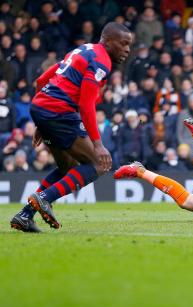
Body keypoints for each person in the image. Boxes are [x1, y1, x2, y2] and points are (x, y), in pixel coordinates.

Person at [10, 22, 133, 232]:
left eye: (129, 45)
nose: (127, 49)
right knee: (98, 164)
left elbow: (42, 80)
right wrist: (98, 144)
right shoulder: (101, 60)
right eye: (123, 44)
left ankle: (25, 215)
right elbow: (85, 105)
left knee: (68, 168)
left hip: (43, 109)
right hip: (58, 112)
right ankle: (44, 198)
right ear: (108, 41)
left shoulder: (82, 50)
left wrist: (43, 121)